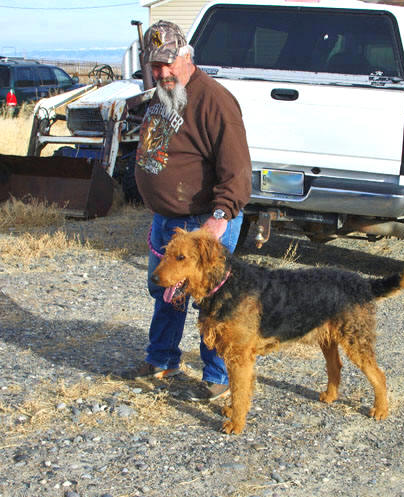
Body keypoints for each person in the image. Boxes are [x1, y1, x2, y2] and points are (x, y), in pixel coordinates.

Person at [122, 20, 252, 401]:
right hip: (168, 220)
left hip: (203, 222)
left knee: (212, 300)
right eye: (155, 65)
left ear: (186, 55)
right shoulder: (165, 93)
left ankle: (217, 377)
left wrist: (220, 218)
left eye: (168, 63)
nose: (161, 72)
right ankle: (162, 359)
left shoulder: (215, 101)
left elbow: (238, 170)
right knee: (165, 290)